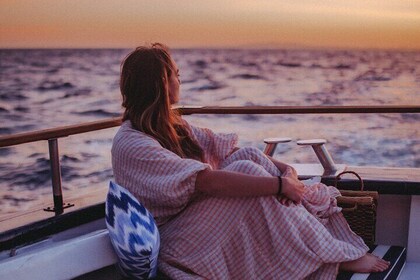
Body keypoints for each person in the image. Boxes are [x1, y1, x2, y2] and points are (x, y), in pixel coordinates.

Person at [111, 43, 389, 279]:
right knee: (248, 171)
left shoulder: (170, 125)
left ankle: (320, 246)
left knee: (249, 157)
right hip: (175, 242)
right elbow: (207, 181)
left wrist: (287, 171)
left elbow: (229, 152)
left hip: (192, 220)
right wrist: (279, 186)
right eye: (175, 74)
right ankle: (333, 257)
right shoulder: (132, 143)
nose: (179, 79)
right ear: (160, 83)